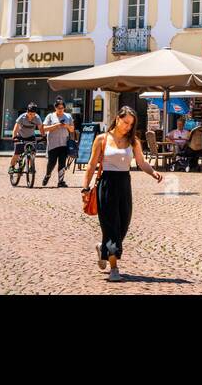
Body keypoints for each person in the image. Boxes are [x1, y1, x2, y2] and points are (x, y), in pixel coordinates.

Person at [82, 107, 161, 282]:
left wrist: (153, 172)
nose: (127, 127)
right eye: (125, 122)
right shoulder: (101, 139)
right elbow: (91, 164)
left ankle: (103, 247)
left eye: (130, 124)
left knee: (123, 226)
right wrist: (85, 188)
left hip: (125, 184)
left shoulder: (133, 141)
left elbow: (141, 162)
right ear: (117, 118)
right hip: (107, 184)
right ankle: (114, 268)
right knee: (111, 227)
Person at [42, 98, 75, 187]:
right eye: (59, 108)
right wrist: (56, 125)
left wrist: (66, 125)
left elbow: (72, 129)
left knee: (62, 163)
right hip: (53, 144)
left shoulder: (68, 116)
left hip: (64, 143)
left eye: (62, 108)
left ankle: (61, 181)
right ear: (55, 108)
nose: (60, 110)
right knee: (52, 163)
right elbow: (44, 129)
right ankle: (48, 175)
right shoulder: (50, 116)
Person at [9, 103, 44, 176]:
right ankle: (11, 167)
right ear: (27, 112)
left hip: (31, 137)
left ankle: (31, 167)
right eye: (30, 114)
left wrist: (43, 136)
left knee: (32, 153)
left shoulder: (37, 118)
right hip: (20, 137)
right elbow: (16, 128)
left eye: (33, 114)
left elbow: (41, 128)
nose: (32, 116)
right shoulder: (22, 117)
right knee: (17, 154)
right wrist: (14, 137)